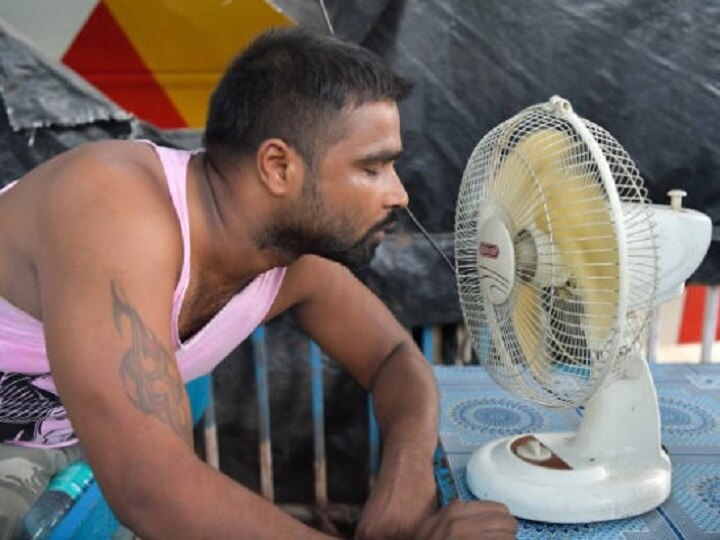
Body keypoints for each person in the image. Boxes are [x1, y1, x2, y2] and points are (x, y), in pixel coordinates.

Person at [0, 28, 517, 539]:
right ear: (278, 166)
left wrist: (406, 479)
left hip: (80, 454)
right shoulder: (112, 208)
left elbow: (392, 359)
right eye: (373, 167)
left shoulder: (287, 258)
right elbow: (150, 487)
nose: (399, 195)